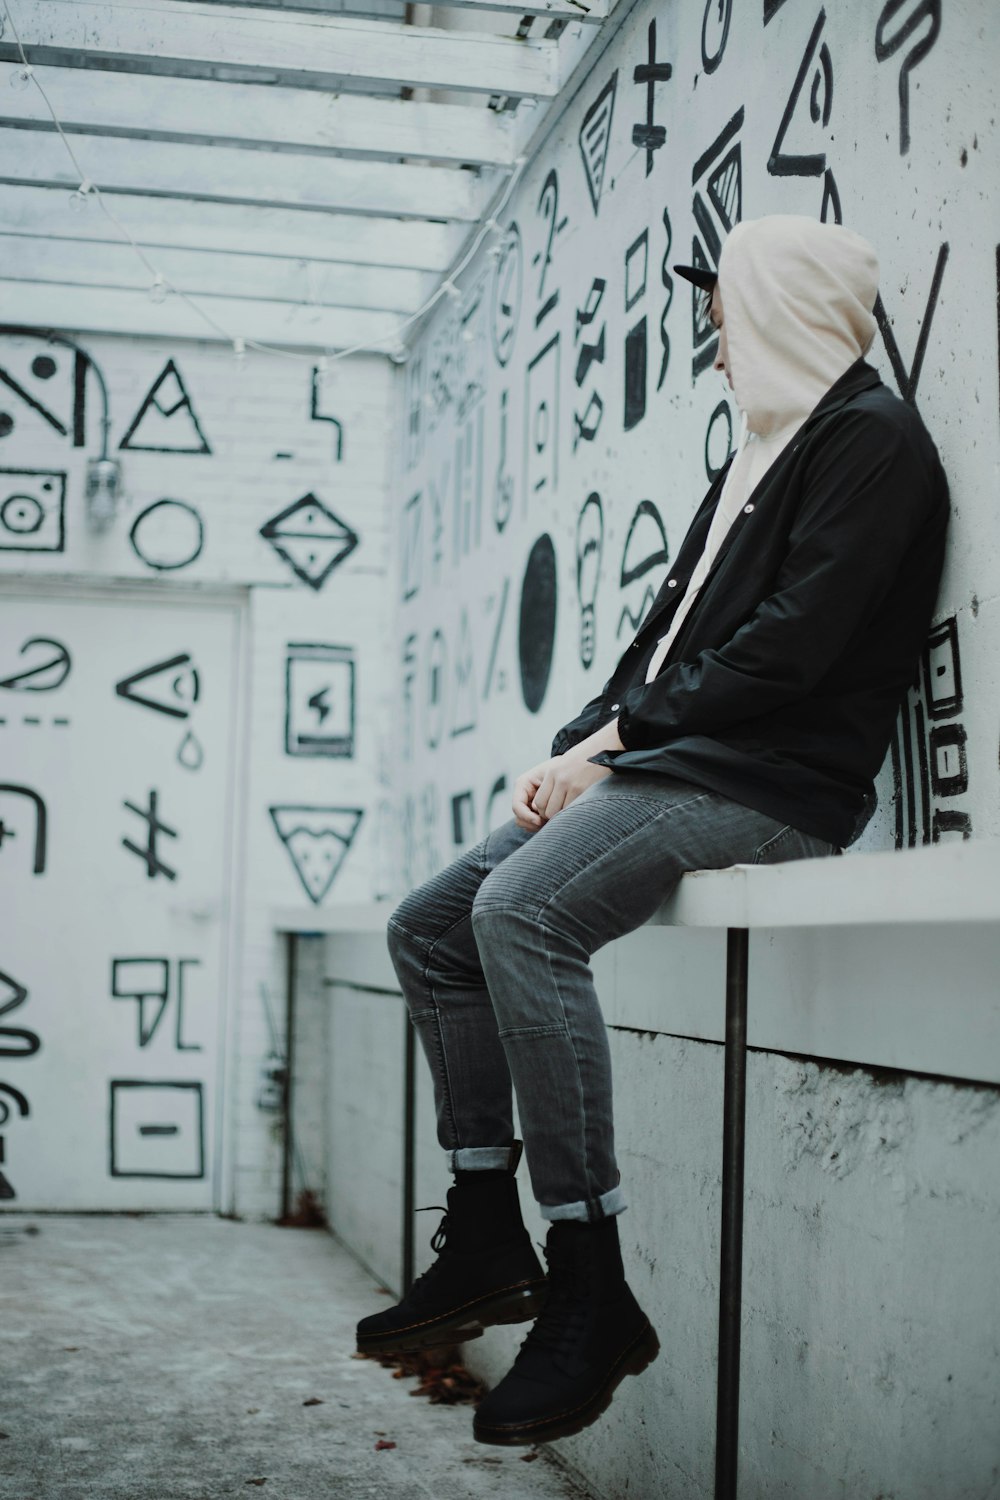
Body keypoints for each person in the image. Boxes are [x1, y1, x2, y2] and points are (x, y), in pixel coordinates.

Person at [356, 214, 950, 1447]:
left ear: (779, 308)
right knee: (430, 927)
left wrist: (615, 748)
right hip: (674, 763)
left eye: (723, 320)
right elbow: (662, 646)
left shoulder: (869, 442)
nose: (714, 348)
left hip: (770, 784)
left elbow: (791, 647)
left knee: (518, 914)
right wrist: (573, 748)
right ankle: (482, 1231)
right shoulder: (757, 454)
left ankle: (588, 1277)